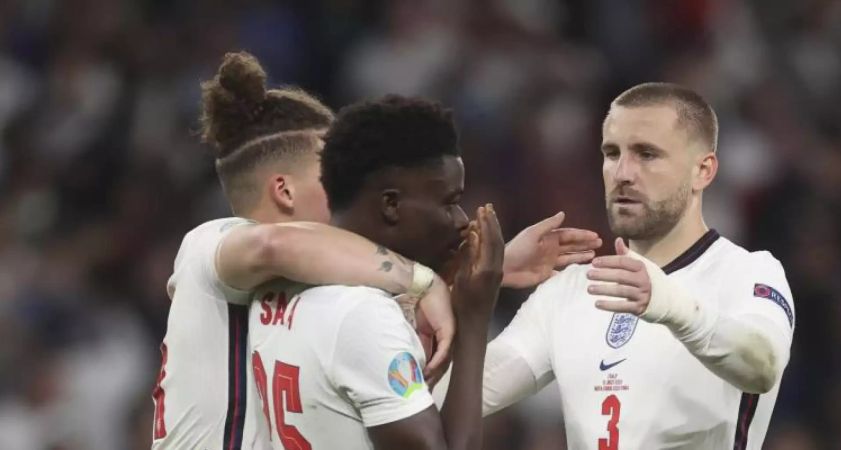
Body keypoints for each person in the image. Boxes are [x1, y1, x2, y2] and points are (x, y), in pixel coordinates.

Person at [151, 51, 600, 449]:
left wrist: (475, 275)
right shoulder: (209, 246)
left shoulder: (292, 295)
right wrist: (427, 284)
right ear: (284, 192)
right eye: (329, 175)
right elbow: (274, 244)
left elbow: (425, 395)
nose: (344, 187)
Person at [437, 82, 796, 450]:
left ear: (702, 171)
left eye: (647, 154)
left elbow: (763, 365)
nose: (623, 172)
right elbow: (429, 403)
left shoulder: (747, 274)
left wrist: (672, 306)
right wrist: (460, 285)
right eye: (612, 153)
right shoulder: (569, 292)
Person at [249, 95, 503, 449]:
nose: (462, 221)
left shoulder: (274, 286)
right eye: (449, 202)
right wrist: (475, 319)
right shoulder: (365, 313)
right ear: (391, 204)